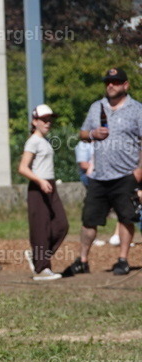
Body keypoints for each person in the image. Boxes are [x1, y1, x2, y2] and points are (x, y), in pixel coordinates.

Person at [64, 67, 142, 277]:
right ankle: (82, 260)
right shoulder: (96, 107)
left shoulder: (137, 109)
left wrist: (139, 170)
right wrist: (92, 133)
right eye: (108, 81)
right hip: (99, 175)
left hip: (126, 174)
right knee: (89, 220)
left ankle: (123, 260)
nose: (110, 85)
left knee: (126, 218)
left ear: (125, 85)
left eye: (115, 82)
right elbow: (82, 134)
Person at [17, 104, 68, 282]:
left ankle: (37, 257)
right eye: (44, 119)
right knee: (41, 229)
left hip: (49, 185)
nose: (48, 123)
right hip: (38, 187)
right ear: (35, 121)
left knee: (61, 225)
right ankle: (41, 269)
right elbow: (22, 168)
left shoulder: (44, 141)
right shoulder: (33, 141)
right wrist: (39, 181)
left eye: (50, 119)